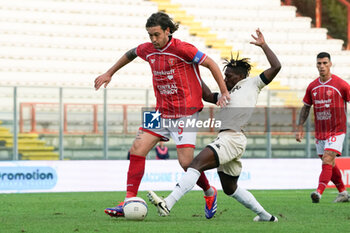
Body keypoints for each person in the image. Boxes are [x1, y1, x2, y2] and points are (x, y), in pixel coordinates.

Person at [94, 12, 230, 218]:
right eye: (150, 35)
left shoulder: (183, 49)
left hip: (186, 112)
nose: (153, 40)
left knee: (186, 163)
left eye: (157, 35)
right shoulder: (148, 49)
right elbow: (130, 53)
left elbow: (211, 63)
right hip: (160, 112)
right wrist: (109, 73)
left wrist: (224, 91)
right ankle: (129, 200)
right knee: (137, 149)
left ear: (168, 31)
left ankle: (209, 192)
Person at [147, 28, 281, 222]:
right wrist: (192, 70)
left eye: (229, 76)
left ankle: (168, 203)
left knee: (195, 165)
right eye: (224, 76)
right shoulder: (228, 95)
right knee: (230, 188)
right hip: (229, 139)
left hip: (232, 139)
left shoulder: (253, 84)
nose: (225, 79)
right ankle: (266, 216)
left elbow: (276, 67)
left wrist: (264, 45)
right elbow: (208, 95)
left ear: (241, 75)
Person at [295, 52, 350, 203]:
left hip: (337, 131)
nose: (322, 66)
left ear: (330, 64)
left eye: (325, 63)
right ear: (316, 65)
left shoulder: (341, 85)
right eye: (319, 63)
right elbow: (306, 108)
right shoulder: (312, 87)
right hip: (320, 133)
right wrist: (299, 127)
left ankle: (318, 192)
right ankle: (343, 193)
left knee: (327, 159)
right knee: (329, 164)